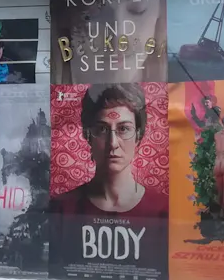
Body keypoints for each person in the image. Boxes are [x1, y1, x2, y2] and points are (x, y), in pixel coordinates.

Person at [53, 83, 163, 217]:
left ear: (138, 136)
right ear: (87, 135)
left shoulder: (162, 209)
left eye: (123, 129)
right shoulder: (60, 209)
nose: (113, 143)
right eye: (102, 129)